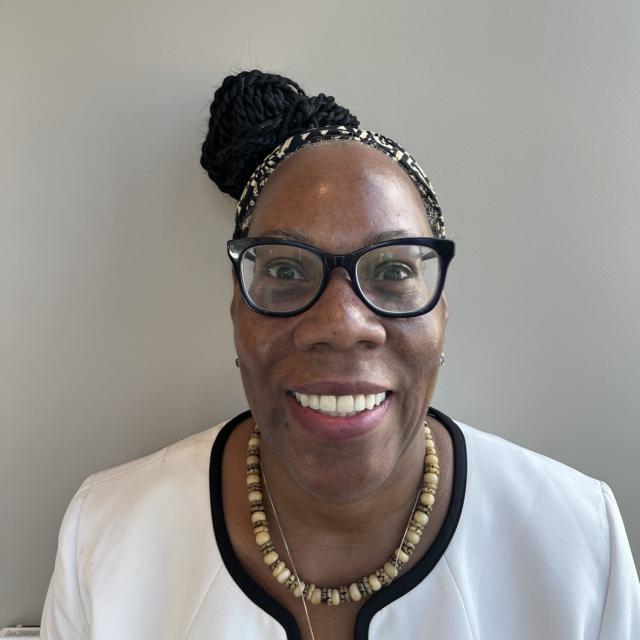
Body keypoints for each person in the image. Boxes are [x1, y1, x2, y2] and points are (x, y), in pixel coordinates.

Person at [41, 70, 639, 640]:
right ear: (235, 313)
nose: (341, 324)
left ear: (443, 313)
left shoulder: (579, 542)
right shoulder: (105, 536)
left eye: (394, 269)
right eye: (283, 269)